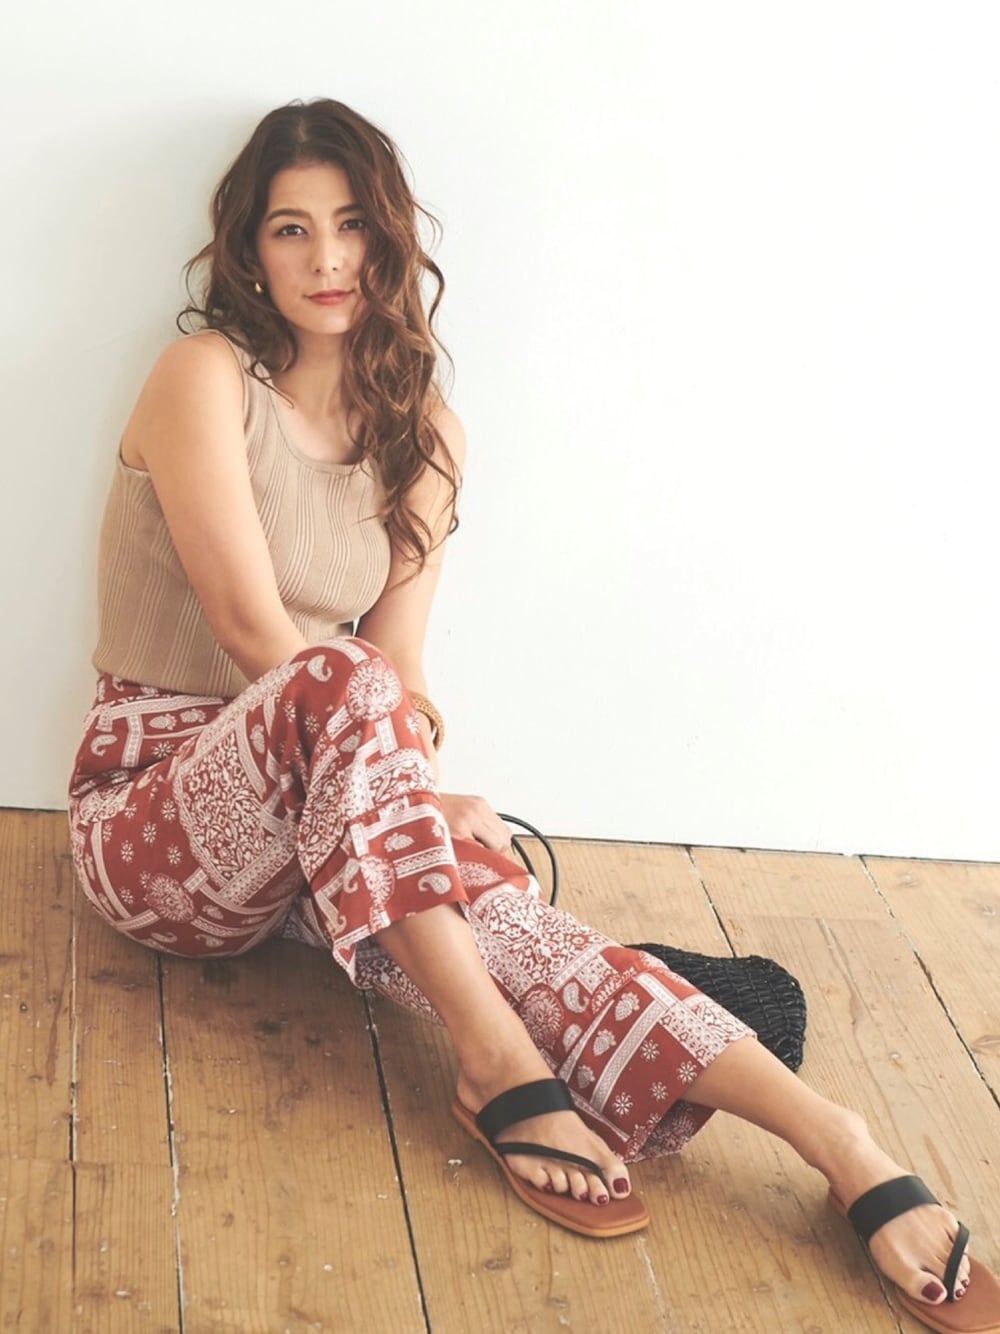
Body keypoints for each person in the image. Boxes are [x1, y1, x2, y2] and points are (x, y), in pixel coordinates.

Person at [67, 98, 997, 1330]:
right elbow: (254, 632)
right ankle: (498, 1060)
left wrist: (402, 782)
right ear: (249, 249)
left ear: (392, 238)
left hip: (326, 808)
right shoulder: (204, 377)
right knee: (347, 689)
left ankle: (841, 1140)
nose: (328, 258)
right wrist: (388, 764)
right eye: (292, 229)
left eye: (352, 225)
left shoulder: (425, 435)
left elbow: (403, 668)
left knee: (511, 919)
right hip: (154, 821)